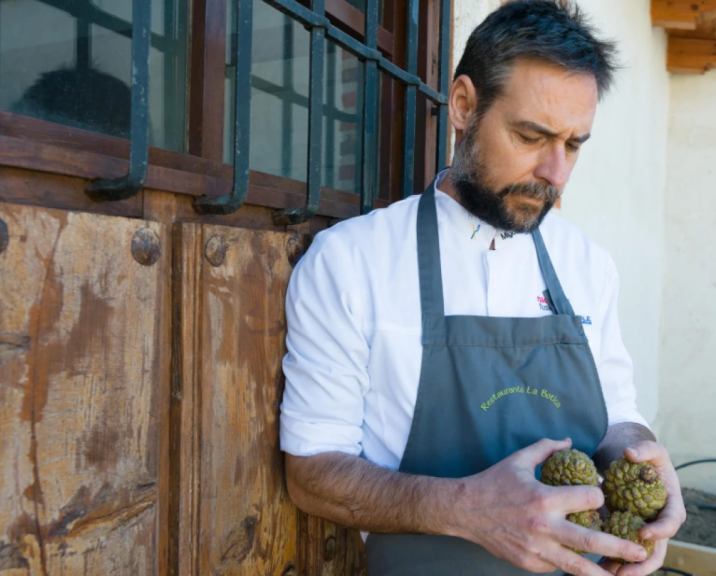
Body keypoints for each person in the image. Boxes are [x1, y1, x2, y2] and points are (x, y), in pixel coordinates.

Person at [279, 1, 685, 574]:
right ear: (464, 106)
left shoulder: (588, 264)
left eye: (573, 145)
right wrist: (466, 509)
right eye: (531, 136)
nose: (556, 173)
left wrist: (642, 464)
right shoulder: (351, 262)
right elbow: (312, 473)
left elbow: (617, 416)